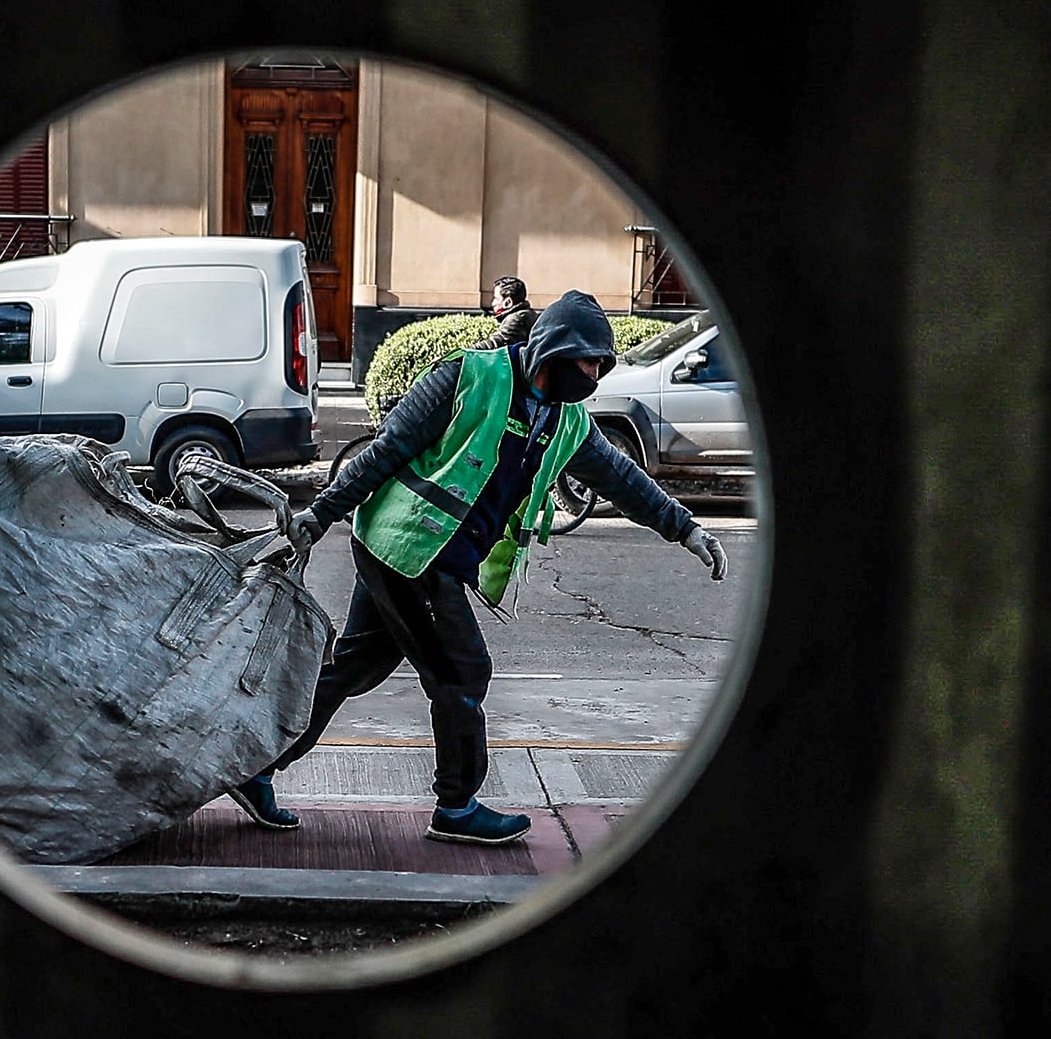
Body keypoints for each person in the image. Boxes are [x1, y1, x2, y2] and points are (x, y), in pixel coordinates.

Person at [227, 289, 729, 843]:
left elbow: (623, 480)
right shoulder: (468, 377)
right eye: (588, 363)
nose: (594, 376)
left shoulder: (566, 421)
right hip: (409, 548)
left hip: (435, 555)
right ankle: (457, 806)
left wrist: (687, 529)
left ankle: (253, 767)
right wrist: (322, 514)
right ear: (554, 352)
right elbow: (387, 449)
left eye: (600, 366)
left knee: (353, 669)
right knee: (463, 671)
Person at [474, 275, 538, 350]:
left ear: (508, 302)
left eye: (496, 298)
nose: (493, 303)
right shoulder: (526, 313)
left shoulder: (517, 318)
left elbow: (499, 341)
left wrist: (470, 350)